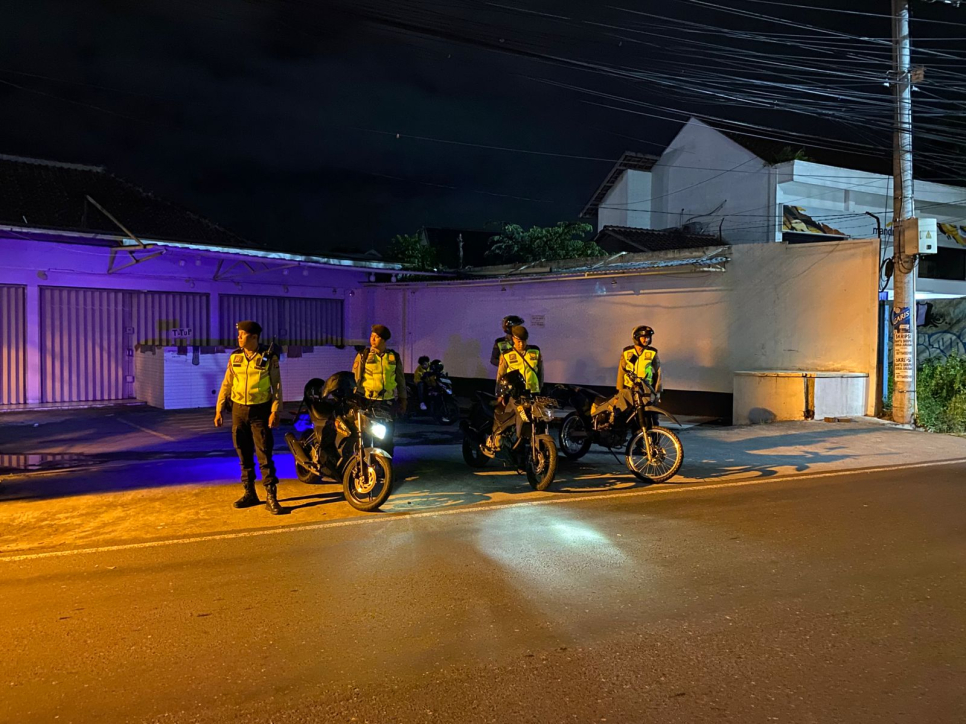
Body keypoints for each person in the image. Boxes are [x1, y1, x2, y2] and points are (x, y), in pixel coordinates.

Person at [214, 320, 285, 515]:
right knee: (243, 454)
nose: (238, 337)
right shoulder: (235, 356)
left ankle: (271, 496)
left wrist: (275, 411)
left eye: (242, 334)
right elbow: (227, 383)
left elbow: (277, 386)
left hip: (260, 411)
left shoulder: (268, 357)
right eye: (239, 334)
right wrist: (219, 409)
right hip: (238, 411)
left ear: (254, 337)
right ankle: (250, 493)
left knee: (264, 454)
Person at [485, 324, 543, 455]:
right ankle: (500, 440)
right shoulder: (506, 355)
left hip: (533, 393)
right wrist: (500, 395)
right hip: (515, 394)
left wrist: (540, 388)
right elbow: (500, 375)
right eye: (518, 341)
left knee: (537, 419)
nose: (521, 344)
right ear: (513, 339)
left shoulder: (535, 352)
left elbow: (540, 373)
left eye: (524, 341)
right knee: (514, 418)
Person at [353, 325, 407, 442]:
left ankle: (386, 454)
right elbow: (355, 379)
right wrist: (354, 398)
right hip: (368, 401)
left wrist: (403, 399)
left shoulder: (393, 356)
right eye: (371, 336)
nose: (372, 339)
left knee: (387, 437)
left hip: (388, 402)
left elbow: (400, 380)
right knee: (367, 437)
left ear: (383, 340)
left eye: (376, 337)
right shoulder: (364, 355)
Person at [612, 325, 662, 415]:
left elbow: (658, 372)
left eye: (648, 337)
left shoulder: (652, 352)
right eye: (643, 337)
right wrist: (620, 390)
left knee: (650, 414)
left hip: (646, 388)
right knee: (625, 413)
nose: (646, 340)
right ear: (636, 337)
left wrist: (657, 391)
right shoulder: (627, 352)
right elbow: (621, 371)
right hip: (629, 388)